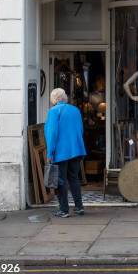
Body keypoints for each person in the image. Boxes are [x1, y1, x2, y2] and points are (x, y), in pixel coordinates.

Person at [45, 88, 87, 218]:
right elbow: (80, 129)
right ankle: (79, 207)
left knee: (60, 181)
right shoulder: (75, 110)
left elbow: (52, 133)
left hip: (61, 152)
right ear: (64, 97)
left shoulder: (54, 112)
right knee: (74, 178)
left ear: (54, 99)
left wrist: (49, 153)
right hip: (76, 150)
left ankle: (64, 210)